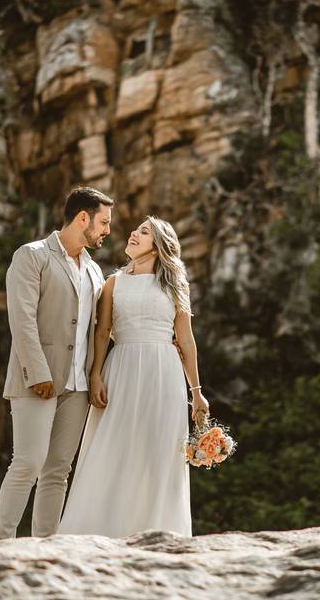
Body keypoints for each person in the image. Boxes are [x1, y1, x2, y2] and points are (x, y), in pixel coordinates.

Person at [57, 216, 209, 538]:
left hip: (164, 373)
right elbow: (102, 333)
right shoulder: (113, 283)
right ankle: (98, 530)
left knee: (159, 451)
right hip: (121, 367)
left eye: (144, 232)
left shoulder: (175, 286)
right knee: (112, 447)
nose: (134, 234)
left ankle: (158, 530)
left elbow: (186, 341)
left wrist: (196, 392)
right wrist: (96, 374)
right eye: (136, 229)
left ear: (159, 245)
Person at [0, 186, 113, 540]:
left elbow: (100, 327)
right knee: (27, 463)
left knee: (58, 470)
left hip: (78, 387)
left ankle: (45, 548)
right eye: (103, 222)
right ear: (83, 218)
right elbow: (22, 319)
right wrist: (37, 373)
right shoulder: (32, 256)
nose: (107, 231)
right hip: (37, 380)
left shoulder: (94, 270)